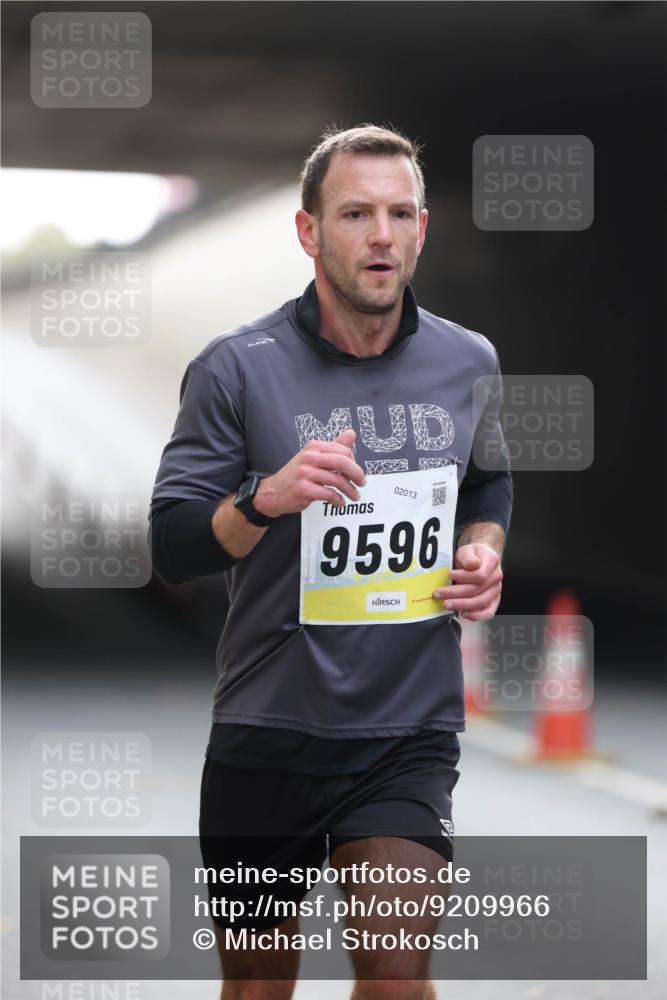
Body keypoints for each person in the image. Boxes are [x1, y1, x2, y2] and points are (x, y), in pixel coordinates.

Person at [150, 124, 512, 1000]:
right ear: (309, 231)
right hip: (266, 732)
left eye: (399, 213)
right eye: (355, 214)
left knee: (394, 978)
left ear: (422, 228)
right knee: (257, 988)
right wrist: (264, 499)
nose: (380, 235)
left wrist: (481, 549)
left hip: (405, 734)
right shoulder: (236, 368)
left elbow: (487, 483)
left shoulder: (467, 360)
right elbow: (172, 543)